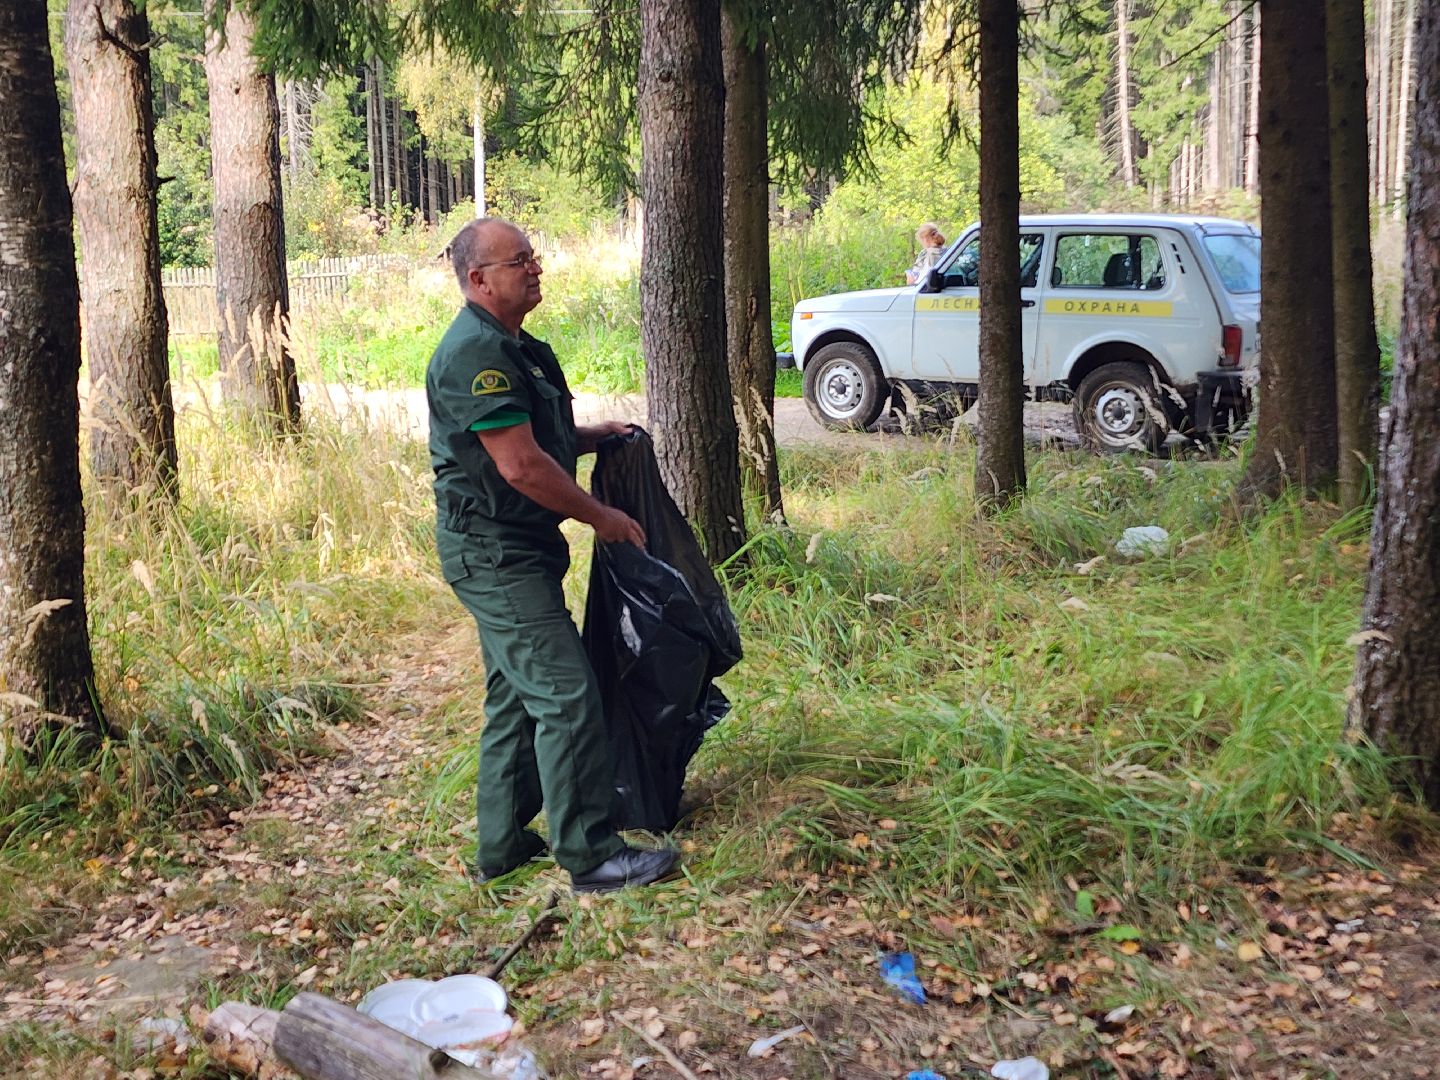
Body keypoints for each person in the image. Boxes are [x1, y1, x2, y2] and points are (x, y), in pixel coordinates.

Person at [426, 217, 680, 894]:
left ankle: (503, 844)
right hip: (494, 553)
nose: (534, 269)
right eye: (519, 262)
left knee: (516, 695)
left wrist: (599, 436)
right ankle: (590, 854)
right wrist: (604, 518)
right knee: (567, 694)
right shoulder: (473, 356)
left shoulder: (519, 348)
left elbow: (540, 438)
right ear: (479, 280)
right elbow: (519, 468)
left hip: (520, 548)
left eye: (534, 257)